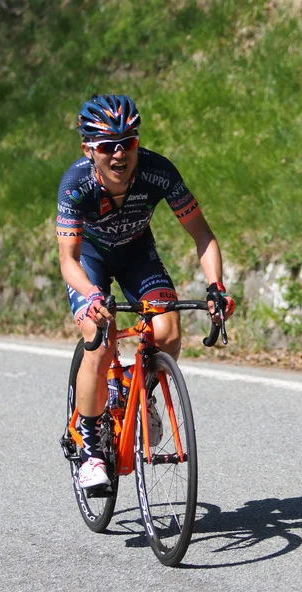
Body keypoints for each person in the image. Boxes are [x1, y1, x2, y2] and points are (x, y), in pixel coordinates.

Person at [56, 94, 235, 491]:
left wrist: (216, 287)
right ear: (89, 150)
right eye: (107, 146)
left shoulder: (158, 172)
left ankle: (142, 394)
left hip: (138, 253)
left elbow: (202, 235)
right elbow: (67, 259)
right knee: (98, 343)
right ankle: (89, 445)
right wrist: (91, 295)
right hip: (91, 260)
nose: (120, 154)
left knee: (168, 333)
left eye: (129, 142)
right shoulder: (75, 184)